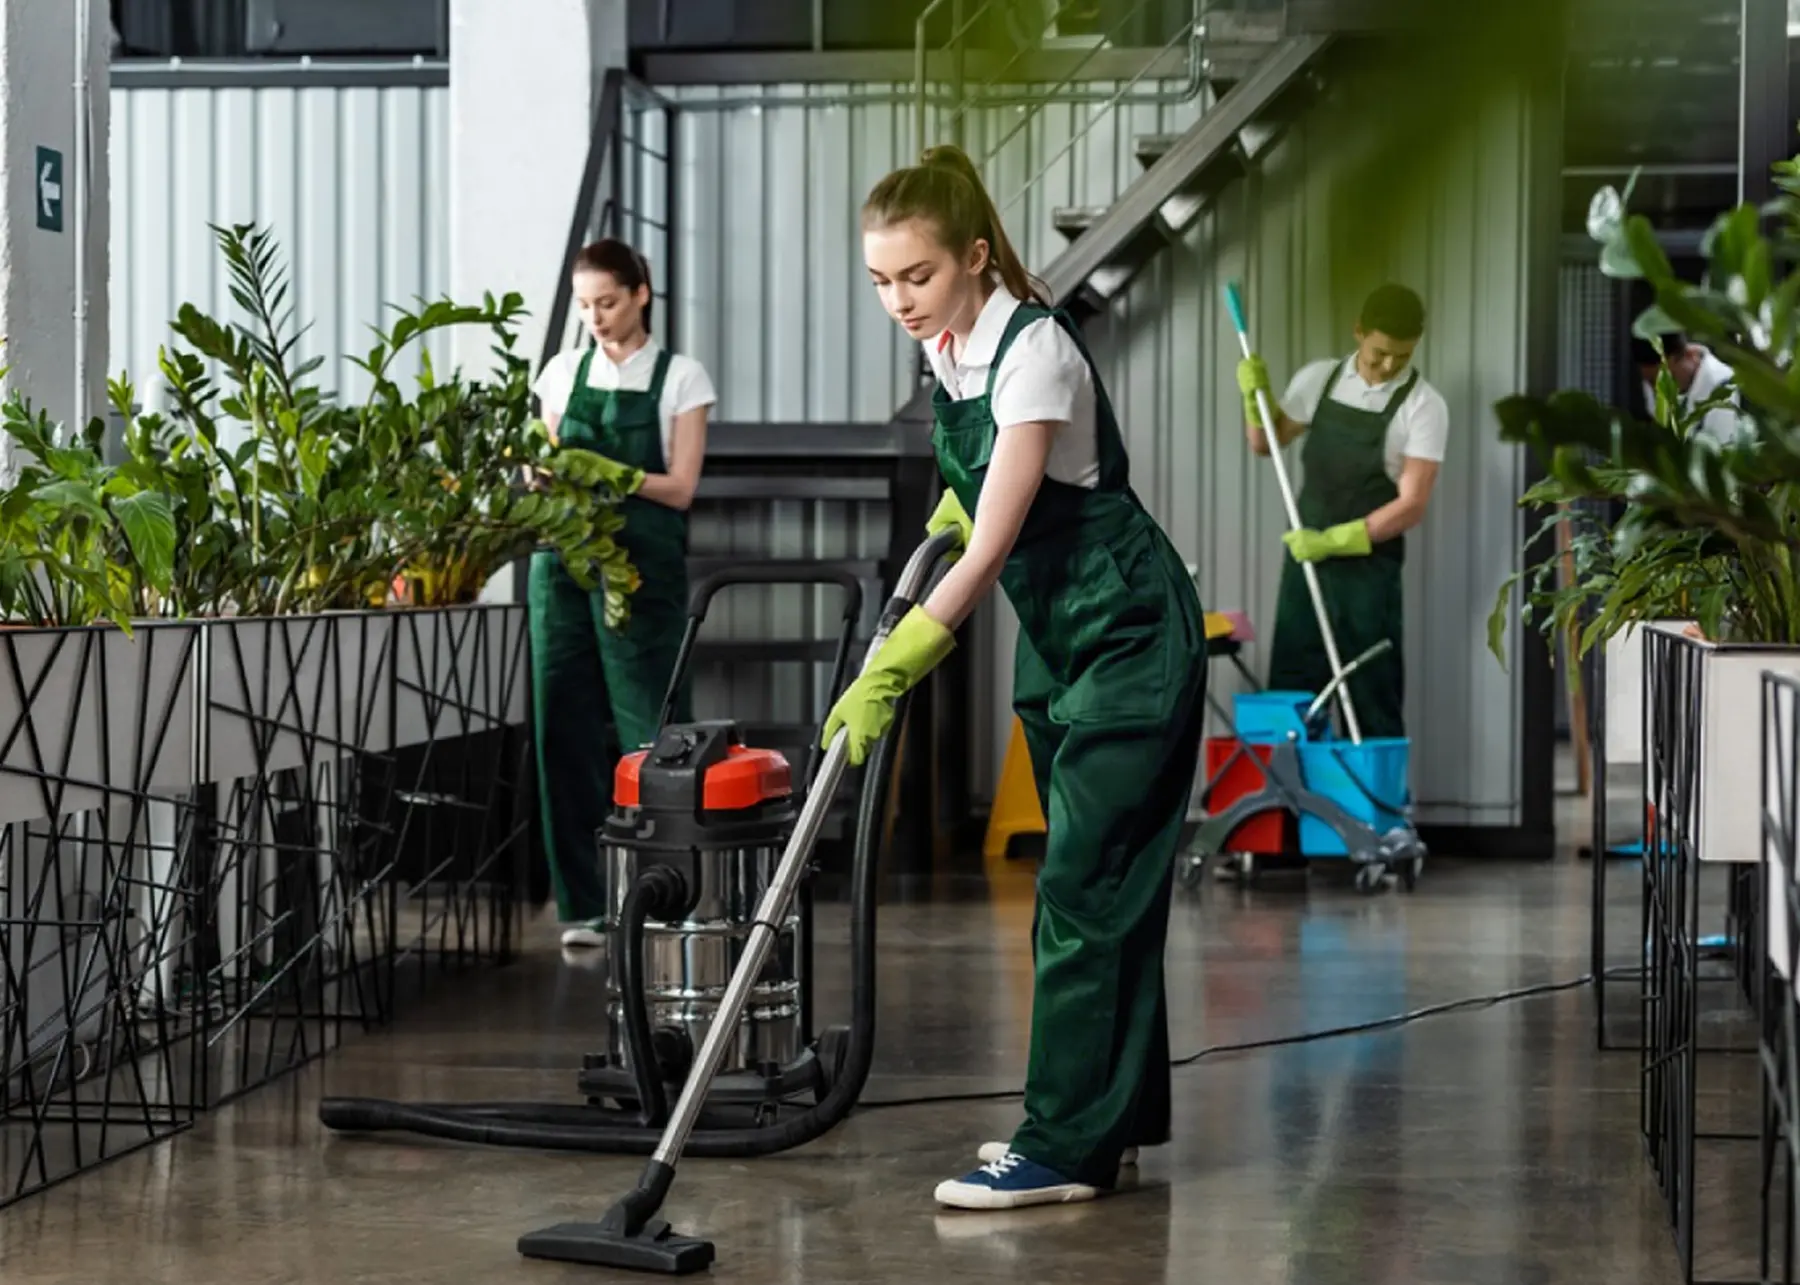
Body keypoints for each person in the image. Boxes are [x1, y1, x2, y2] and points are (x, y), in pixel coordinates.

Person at [828, 144, 1207, 1210]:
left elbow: (989, 548)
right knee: (1106, 884)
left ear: (976, 258)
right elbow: (993, 489)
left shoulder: (1031, 349)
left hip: (1127, 630)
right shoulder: (950, 349)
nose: (899, 300)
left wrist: (897, 662)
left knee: (1083, 886)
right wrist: (963, 500)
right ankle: (1115, 1119)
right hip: (1059, 640)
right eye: (881, 280)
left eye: (918, 276)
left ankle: (1062, 1148)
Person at [529, 238, 715, 949]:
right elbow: (542, 468)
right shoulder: (561, 372)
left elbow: (681, 487)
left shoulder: (681, 378)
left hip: (643, 568)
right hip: (563, 569)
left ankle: (669, 894)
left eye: (606, 301)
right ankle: (582, 904)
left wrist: (603, 469)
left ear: (641, 293)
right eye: (585, 306)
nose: (596, 317)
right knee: (563, 729)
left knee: (653, 729)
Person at [1234, 283, 1448, 741]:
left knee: (1373, 695)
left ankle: (1375, 809)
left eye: (1402, 357)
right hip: (1306, 568)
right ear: (1359, 333)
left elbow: (1411, 505)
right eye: (1379, 354)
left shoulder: (1424, 407)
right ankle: (1289, 810)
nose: (1388, 366)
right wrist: (1256, 400)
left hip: (1369, 576)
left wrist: (1335, 540)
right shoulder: (1319, 380)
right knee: (1294, 692)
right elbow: (1264, 443)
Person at [1633, 331, 1744, 444]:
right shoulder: (1653, 381)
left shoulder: (1723, 387)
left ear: (1687, 356)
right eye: (1650, 383)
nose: (1655, 390)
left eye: (1659, 381)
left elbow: (1721, 448)